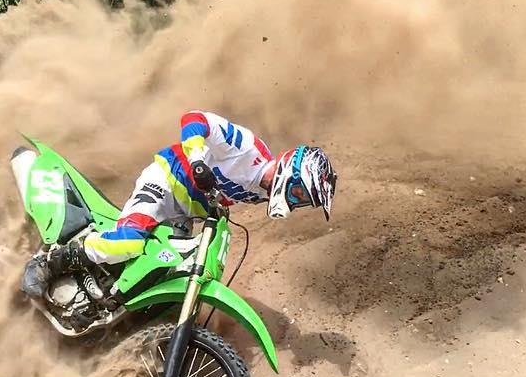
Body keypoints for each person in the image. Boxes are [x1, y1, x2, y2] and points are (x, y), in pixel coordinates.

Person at [22, 110, 337, 296]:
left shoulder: (261, 194)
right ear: (292, 171)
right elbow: (194, 118)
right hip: (164, 180)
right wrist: (198, 159)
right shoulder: (248, 148)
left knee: (167, 271)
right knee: (129, 243)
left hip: (182, 215)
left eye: (303, 202)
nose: (296, 203)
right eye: (299, 194)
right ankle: (50, 263)